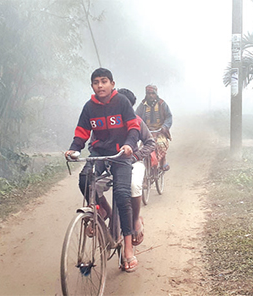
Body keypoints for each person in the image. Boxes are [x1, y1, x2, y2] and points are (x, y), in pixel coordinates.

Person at [64, 68, 140, 272]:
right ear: (92, 87)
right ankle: (103, 209)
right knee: (84, 180)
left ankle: (128, 248)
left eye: (104, 81)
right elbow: (82, 132)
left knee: (123, 195)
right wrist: (74, 149)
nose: (100, 85)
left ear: (112, 84)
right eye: (96, 82)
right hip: (98, 153)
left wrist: (129, 144)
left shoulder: (122, 102)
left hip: (121, 155)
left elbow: (134, 127)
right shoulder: (89, 107)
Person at [93, 88, 155, 246]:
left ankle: (134, 221)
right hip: (110, 165)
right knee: (93, 185)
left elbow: (150, 143)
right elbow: (94, 144)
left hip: (133, 163)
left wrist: (135, 156)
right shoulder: (104, 121)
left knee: (133, 185)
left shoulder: (136, 121)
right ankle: (107, 212)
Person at [135, 84, 173, 171]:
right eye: (149, 93)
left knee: (160, 144)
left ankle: (163, 161)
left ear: (156, 94)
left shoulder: (162, 104)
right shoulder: (142, 105)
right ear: (146, 94)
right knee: (142, 149)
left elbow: (169, 117)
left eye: (152, 93)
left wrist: (165, 127)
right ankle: (145, 170)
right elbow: (136, 117)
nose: (151, 95)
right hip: (146, 132)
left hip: (160, 131)